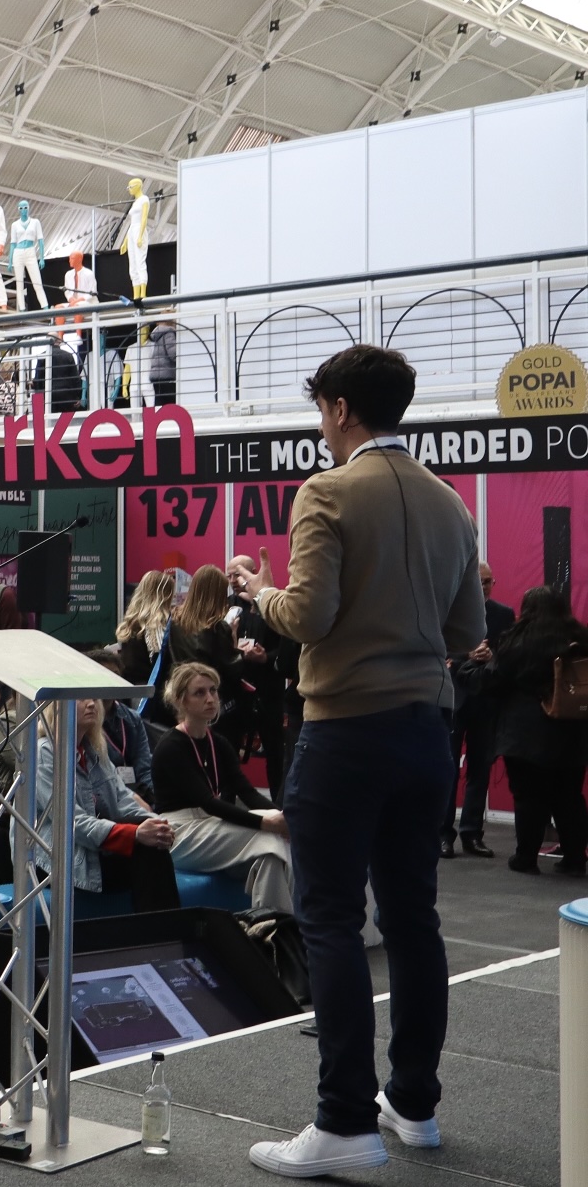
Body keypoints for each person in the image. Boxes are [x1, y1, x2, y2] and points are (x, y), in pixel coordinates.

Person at [230, 343, 485, 1176]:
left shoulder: (327, 491)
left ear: (339, 408)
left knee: (332, 919)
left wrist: (256, 592)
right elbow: (465, 633)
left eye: (320, 409)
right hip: (427, 731)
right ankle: (413, 1104)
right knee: (414, 920)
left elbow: (306, 615)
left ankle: (343, 1119)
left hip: (346, 730)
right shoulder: (450, 503)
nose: (320, 424)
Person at [153, 664, 294, 913]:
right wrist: (266, 823)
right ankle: (281, 925)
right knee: (270, 838)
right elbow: (209, 802)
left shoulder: (218, 742)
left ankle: (273, 927)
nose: (210, 699)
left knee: (271, 856)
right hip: (179, 833)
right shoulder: (171, 746)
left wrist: (282, 817)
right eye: (199, 693)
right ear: (181, 701)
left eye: (213, 691)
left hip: (210, 824)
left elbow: (248, 793)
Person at [34, 695, 181, 913]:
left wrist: (156, 824)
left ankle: (161, 927)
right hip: (58, 858)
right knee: (148, 851)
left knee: (152, 843)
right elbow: (71, 824)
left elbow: (123, 800)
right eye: (81, 699)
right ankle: (165, 928)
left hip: (93, 845)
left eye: (94, 697)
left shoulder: (93, 749)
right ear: (57, 707)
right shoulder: (44, 752)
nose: (91, 703)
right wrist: (135, 834)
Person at [484, 586, 588, 875]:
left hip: (526, 732)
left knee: (528, 797)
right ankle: (575, 858)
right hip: (573, 729)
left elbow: (495, 681)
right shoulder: (580, 638)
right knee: (569, 796)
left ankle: (526, 858)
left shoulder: (518, 641)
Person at [443, 561, 516, 858]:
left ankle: (472, 833)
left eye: (489, 582)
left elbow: (510, 656)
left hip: (486, 700)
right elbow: (439, 651)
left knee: (480, 770)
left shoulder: (504, 614)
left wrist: (491, 655)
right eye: (481, 581)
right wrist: (468, 655)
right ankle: (443, 834)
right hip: (453, 699)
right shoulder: (448, 610)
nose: (485, 587)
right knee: (447, 769)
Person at [227, 557, 295, 802]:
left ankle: (279, 806)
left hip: (268, 691)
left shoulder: (272, 605)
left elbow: (288, 649)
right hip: (237, 691)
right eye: (229, 576)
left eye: (237, 574)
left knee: (275, 753)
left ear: (253, 572)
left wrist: (266, 657)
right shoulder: (228, 607)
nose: (233, 580)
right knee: (230, 752)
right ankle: (228, 805)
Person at [116, 569, 190, 720]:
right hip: (152, 693)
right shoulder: (157, 625)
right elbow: (158, 660)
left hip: (133, 691)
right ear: (165, 595)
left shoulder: (132, 622)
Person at [87, 648, 155, 803]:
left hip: (138, 794)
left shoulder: (132, 719)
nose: (111, 680)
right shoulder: (84, 720)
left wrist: (154, 799)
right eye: (104, 675)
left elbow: (144, 768)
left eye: (115, 675)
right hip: (104, 799)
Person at [181, 564, 248, 718]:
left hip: (185, 694)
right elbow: (233, 669)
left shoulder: (175, 620)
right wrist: (234, 638)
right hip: (211, 700)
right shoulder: (217, 627)